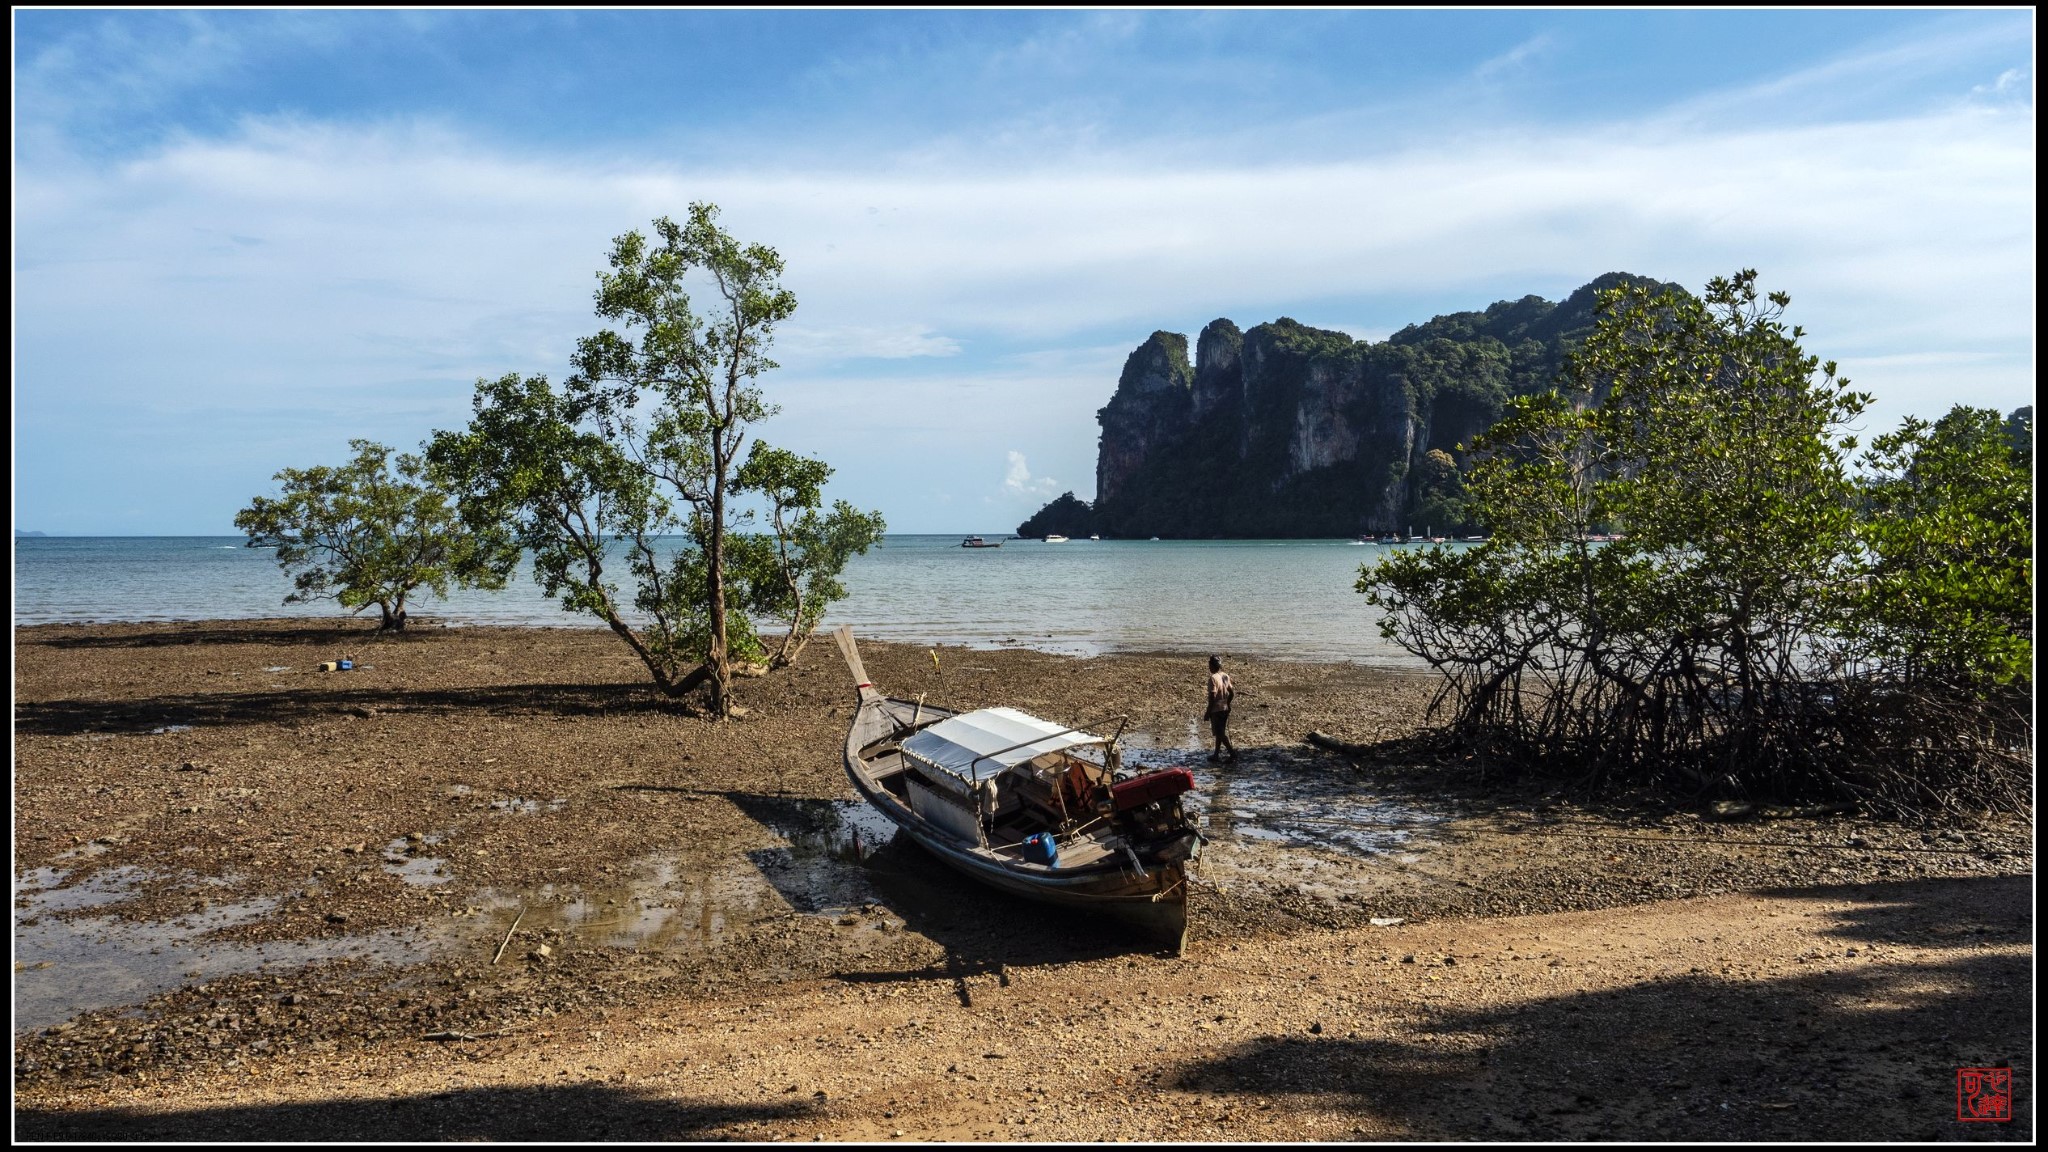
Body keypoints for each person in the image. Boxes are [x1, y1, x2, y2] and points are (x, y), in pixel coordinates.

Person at [1204, 654, 1237, 761]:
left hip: (1216, 710)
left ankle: (1232, 753)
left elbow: (1212, 697)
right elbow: (1232, 693)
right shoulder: (1225, 676)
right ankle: (1216, 754)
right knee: (1220, 732)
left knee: (1220, 733)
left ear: (1211, 665)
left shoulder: (1213, 678)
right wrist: (1228, 703)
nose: (1209, 666)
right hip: (1224, 708)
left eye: (1209, 664)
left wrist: (1208, 712)